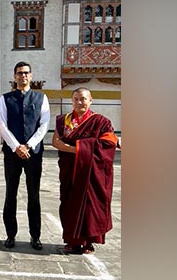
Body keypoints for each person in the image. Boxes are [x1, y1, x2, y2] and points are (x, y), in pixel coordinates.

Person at [53, 88, 121, 254]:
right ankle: (72, 241)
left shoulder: (101, 121)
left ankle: (88, 242)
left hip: (91, 173)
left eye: (83, 99)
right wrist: (77, 149)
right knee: (69, 205)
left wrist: (75, 148)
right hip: (70, 172)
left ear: (90, 100)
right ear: (72, 101)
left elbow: (108, 143)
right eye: (76, 99)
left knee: (90, 207)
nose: (79, 102)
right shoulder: (63, 121)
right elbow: (56, 141)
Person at [0, 61, 51, 250]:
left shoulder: (40, 98)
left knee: (33, 195)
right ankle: (10, 234)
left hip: (33, 153)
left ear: (31, 75)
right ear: (15, 76)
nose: (23, 76)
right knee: (10, 194)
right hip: (12, 154)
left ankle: (35, 236)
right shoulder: (5, 99)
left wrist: (29, 145)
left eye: (26, 73)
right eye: (19, 73)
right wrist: (16, 146)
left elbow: (44, 125)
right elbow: (2, 125)